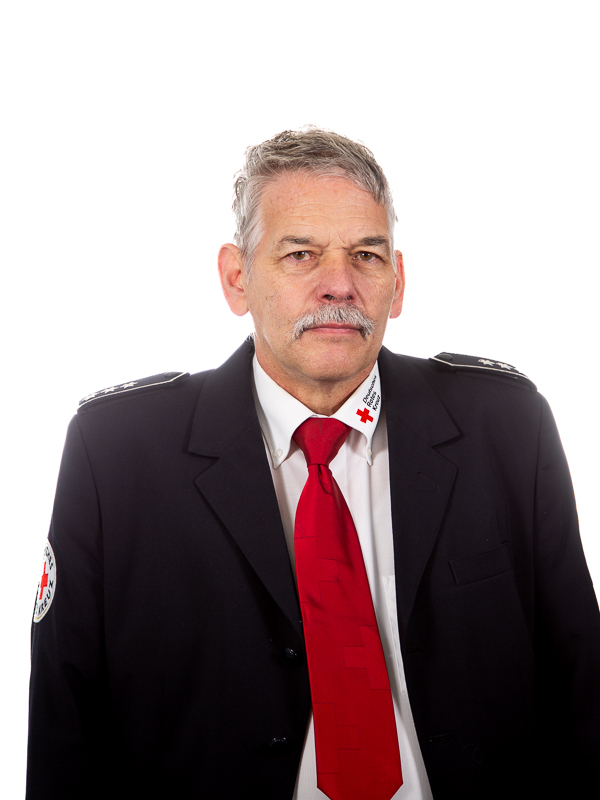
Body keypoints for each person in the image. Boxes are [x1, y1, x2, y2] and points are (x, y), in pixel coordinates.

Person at [27, 128, 600, 800]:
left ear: (398, 281)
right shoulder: (117, 454)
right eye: (300, 254)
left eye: (366, 255)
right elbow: (66, 728)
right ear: (237, 278)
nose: (340, 285)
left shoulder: (505, 426)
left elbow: (581, 690)